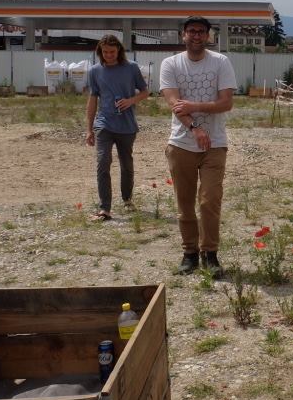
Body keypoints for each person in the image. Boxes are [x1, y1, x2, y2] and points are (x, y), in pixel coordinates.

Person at [160, 16, 237, 278]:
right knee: (185, 203)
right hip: (181, 143)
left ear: (208, 36)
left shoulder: (220, 62)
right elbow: (174, 104)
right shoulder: (170, 64)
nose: (196, 36)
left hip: (215, 144)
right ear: (183, 35)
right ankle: (189, 253)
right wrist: (195, 127)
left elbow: (226, 102)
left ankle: (210, 254)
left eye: (201, 32)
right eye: (191, 31)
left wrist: (194, 106)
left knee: (210, 200)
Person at [85, 34, 149, 222]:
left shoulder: (131, 68)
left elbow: (145, 92)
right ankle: (105, 207)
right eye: (105, 52)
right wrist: (89, 129)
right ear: (100, 52)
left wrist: (131, 101)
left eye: (112, 52)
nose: (109, 55)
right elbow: (92, 100)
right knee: (103, 161)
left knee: (126, 164)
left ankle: (127, 199)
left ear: (119, 50)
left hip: (127, 125)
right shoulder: (95, 71)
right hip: (104, 124)